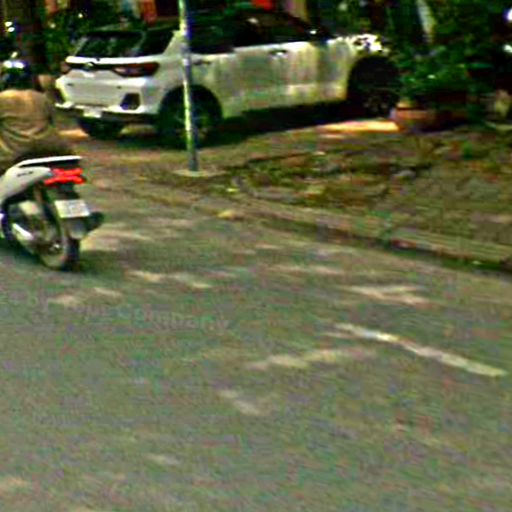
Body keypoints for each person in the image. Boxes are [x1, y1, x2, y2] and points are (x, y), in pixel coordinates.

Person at [0, 59, 72, 173]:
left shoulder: (3, 98)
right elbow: (51, 121)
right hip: (53, 147)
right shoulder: (41, 98)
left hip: (14, 153)